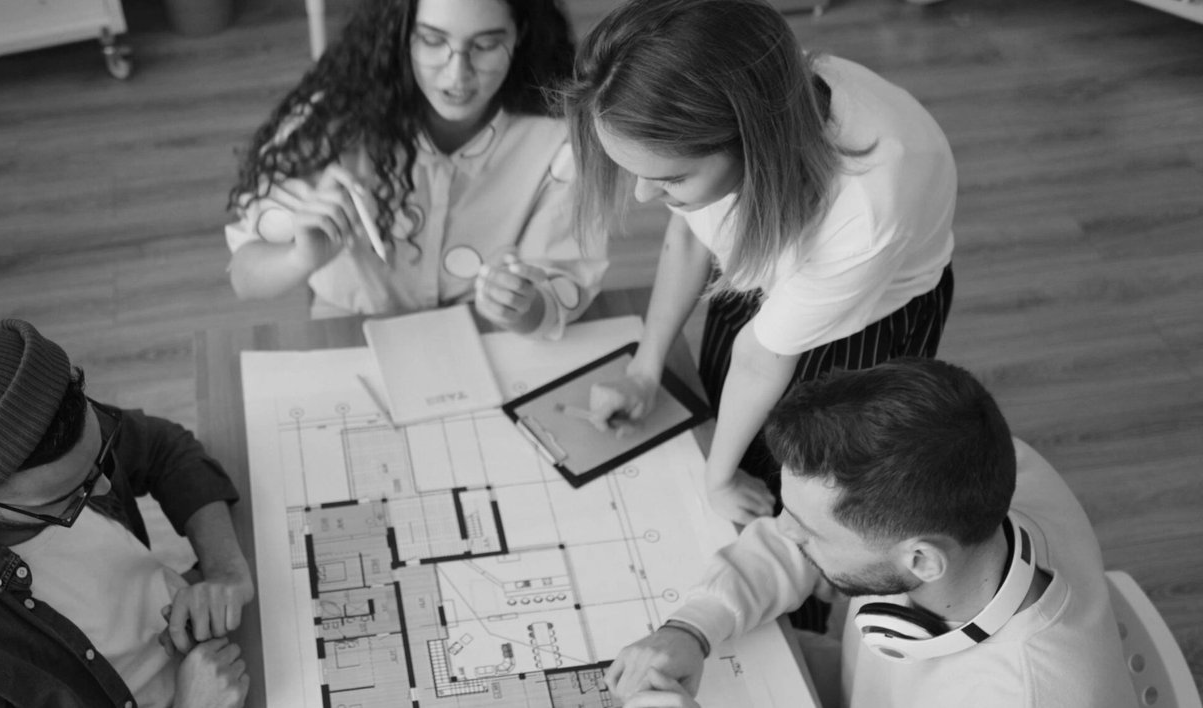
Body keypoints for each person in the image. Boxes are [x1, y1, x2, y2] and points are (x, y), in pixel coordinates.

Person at [563, 0, 957, 524]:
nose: (641, 195)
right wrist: (644, 369)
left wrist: (718, 480)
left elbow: (758, 360)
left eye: (670, 179)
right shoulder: (736, 87)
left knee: (812, 484)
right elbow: (690, 239)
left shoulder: (864, 213)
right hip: (773, 259)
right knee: (731, 419)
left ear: (751, 147)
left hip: (868, 314)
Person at [605, 358, 1130, 707]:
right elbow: (792, 540)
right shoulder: (983, 466)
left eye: (810, 532)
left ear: (921, 562)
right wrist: (690, 629)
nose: (782, 531)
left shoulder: (1028, 694)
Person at [0, 320, 254, 708]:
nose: (105, 487)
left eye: (100, 457)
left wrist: (225, 571)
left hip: (212, 647)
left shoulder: (52, 427)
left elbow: (165, 449)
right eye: (72, 495)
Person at [225, 0, 607, 339]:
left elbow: (561, 290)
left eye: (485, 45)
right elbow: (244, 276)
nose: (457, 76)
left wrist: (522, 307)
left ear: (520, 33)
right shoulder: (330, 123)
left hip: (483, 332)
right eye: (432, 40)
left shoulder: (558, 140)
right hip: (350, 327)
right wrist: (300, 258)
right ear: (401, 31)